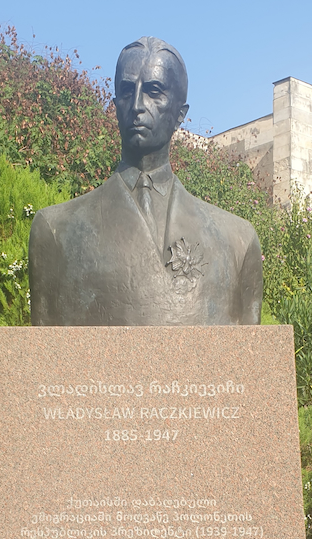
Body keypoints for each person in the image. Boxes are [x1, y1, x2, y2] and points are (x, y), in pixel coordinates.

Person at [29, 37, 263, 326]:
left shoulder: (237, 241)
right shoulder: (56, 231)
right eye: (127, 91)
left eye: (154, 91)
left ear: (180, 114)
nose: (137, 105)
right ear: (115, 105)